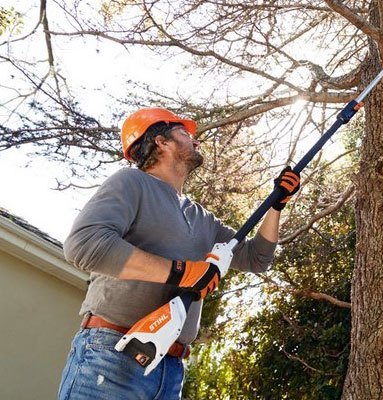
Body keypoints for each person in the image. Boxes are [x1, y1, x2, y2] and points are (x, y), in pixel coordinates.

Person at [58, 107, 300, 399]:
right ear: (161, 141)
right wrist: (182, 272)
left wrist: (277, 205)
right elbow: (84, 244)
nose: (196, 141)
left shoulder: (201, 218)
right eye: (185, 133)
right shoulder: (131, 183)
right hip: (112, 357)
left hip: (170, 370)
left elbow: (257, 259)